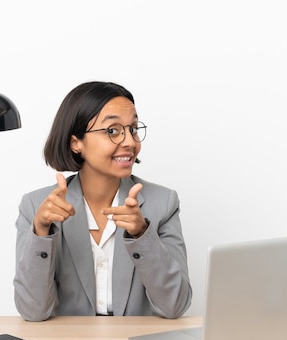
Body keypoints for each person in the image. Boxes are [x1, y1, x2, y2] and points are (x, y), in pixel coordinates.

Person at [14, 81, 192, 321]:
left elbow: (175, 307)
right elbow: (33, 312)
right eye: (113, 130)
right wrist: (41, 232)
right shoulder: (36, 207)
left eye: (133, 129)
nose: (129, 141)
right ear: (76, 142)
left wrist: (142, 235)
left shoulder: (163, 203)